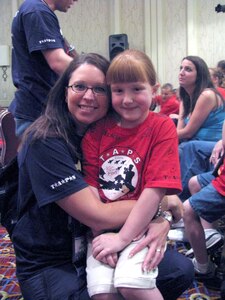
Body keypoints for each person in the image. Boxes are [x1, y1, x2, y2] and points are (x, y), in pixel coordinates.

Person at [10, 53, 194, 300]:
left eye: (99, 89)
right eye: (79, 86)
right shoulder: (45, 140)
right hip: (53, 257)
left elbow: (141, 190)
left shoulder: (107, 132)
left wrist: (162, 219)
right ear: (65, 90)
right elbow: (98, 215)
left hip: (105, 236)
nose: (88, 96)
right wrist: (163, 205)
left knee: (179, 270)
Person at [81, 49, 184, 300]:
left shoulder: (161, 127)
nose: (127, 99)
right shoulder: (96, 132)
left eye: (137, 89)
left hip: (140, 226)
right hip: (103, 229)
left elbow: (155, 189)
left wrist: (123, 238)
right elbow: (92, 191)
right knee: (103, 294)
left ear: (153, 89)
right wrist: (101, 236)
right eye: (118, 91)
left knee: (133, 285)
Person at [8, 0, 78, 137]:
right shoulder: (37, 10)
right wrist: (98, 75)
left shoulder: (36, 9)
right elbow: (57, 61)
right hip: (35, 111)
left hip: (37, 108)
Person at [183, 119, 225, 278]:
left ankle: (202, 267)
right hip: (221, 169)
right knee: (194, 183)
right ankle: (209, 234)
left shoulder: (208, 94)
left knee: (188, 209)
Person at [177, 56, 225, 142]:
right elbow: (180, 130)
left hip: (215, 146)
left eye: (188, 69)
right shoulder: (185, 98)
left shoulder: (207, 95)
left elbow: (188, 133)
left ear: (199, 75)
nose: (181, 72)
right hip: (194, 143)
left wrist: (163, 135)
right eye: (181, 68)